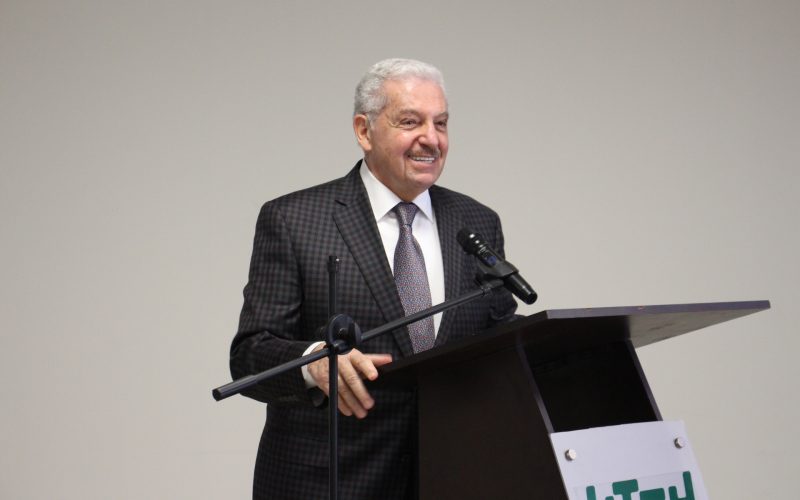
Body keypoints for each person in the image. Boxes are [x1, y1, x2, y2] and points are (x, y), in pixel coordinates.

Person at [230, 58, 518, 500]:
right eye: (410, 122)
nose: (431, 138)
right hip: (330, 483)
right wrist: (313, 362)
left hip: (450, 476)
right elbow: (250, 355)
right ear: (364, 131)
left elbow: (498, 339)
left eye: (441, 123)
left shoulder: (476, 221)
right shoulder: (294, 220)